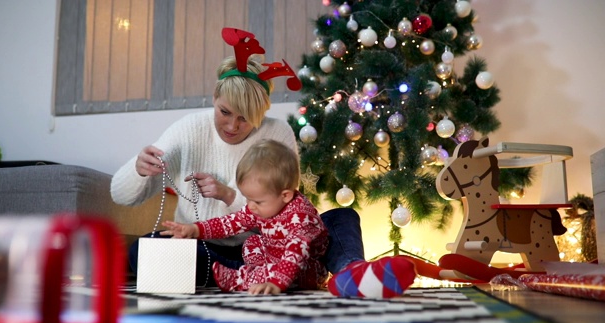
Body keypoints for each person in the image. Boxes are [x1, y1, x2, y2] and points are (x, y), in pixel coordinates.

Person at [110, 27, 415, 299]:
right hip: (218, 251)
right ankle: (239, 277)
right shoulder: (189, 129)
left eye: (245, 119)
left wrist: (228, 195)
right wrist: (139, 171)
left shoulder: (277, 132)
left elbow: (283, 208)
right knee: (146, 249)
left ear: (261, 114)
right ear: (215, 98)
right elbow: (121, 196)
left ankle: (353, 273)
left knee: (341, 218)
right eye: (225, 112)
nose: (232, 126)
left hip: (272, 246)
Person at [161, 139, 328, 295]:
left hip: (304, 267)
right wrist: (195, 229)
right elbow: (230, 223)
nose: (250, 206)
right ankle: (257, 273)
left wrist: (277, 283)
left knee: (284, 268)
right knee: (251, 242)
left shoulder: (301, 218)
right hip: (272, 255)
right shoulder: (262, 207)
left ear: (285, 195)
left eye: (257, 201)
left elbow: (295, 254)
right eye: (247, 198)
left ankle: (239, 279)